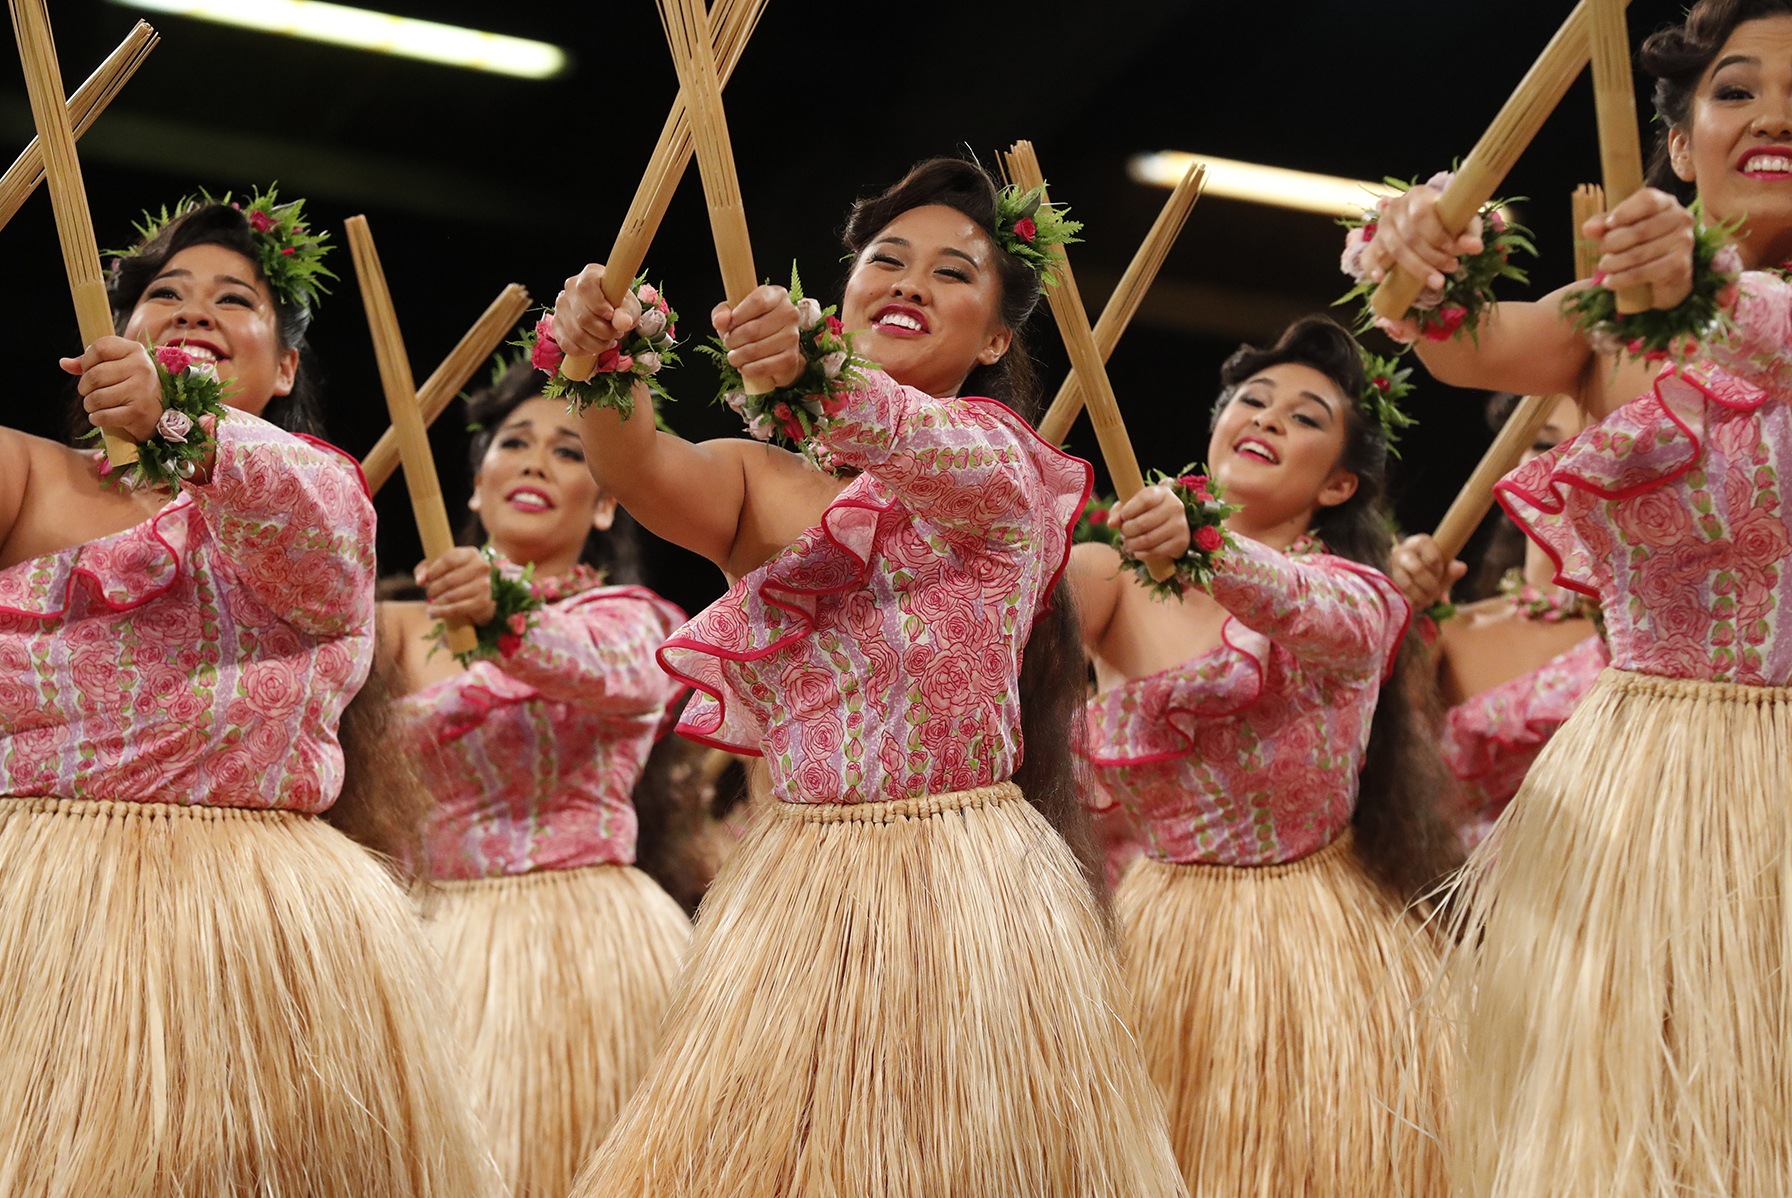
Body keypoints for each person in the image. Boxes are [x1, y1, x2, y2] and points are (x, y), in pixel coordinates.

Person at [555, 157, 1184, 1196]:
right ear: (840, 293)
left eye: (951, 272)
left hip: (964, 884)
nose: (909, 281)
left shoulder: (1001, 465)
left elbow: (915, 440)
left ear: (993, 339)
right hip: (801, 885)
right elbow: (635, 468)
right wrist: (599, 361)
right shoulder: (762, 479)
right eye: (885, 260)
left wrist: (812, 377)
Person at [1356, 2, 1792, 1189]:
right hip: (1650, 779)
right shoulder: (1602, 332)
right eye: (1737, 89)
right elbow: (1453, 337)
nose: (1773, 115)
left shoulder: (1728, 306)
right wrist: (1415, 255)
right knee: (1644, 1113)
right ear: (1679, 137)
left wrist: (1710, 293)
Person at [0, 194, 501, 1194]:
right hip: (37, 898)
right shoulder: (29, 473)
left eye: (236, 299)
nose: (194, 308)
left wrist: (178, 420)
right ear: (110, 341)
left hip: (240, 916)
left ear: (282, 370)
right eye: (165, 294)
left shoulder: (313, 489)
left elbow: (317, 546)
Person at [1069, 314, 1459, 1193]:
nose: (1270, 417)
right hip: (1154, 935)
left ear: (1337, 487)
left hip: (1309, 947)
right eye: (1252, 399)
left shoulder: (1355, 595)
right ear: (1214, 430)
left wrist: (1204, 542)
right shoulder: (1106, 578)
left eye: (1307, 417)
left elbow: (1309, 608)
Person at [380, 359, 691, 1197]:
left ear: (604, 502)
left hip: (587, 948)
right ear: (473, 488)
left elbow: (606, 670)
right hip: (422, 941)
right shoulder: (387, 626)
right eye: (513, 443)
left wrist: (503, 615)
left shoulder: (632, 621)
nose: (533, 462)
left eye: (567, 451)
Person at [1391, 393, 1608, 846]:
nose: (1560, 469)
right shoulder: (1446, 629)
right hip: (1445, 903)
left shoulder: (1647, 642)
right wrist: (1391, 605)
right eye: (1543, 445)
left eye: (1590, 445)